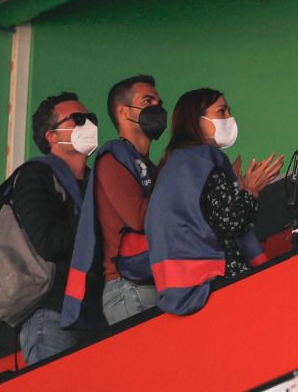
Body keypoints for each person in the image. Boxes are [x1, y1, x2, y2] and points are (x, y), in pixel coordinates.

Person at [144, 90, 281, 315]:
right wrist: (251, 190)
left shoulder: (175, 163)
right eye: (221, 111)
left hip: (183, 286)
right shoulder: (203, 160)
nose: (229, 117)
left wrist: (235, 188)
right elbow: (230, 223)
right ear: (195, 120)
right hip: (216, 282)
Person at [62, 76, 164, 330]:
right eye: (147, 101)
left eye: (159, 102)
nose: (158, 108)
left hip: (153, 283)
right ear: (123, 111)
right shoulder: (111, 158)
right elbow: (139, 218)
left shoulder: (150, 167)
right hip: (130, 289)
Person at [1, 93, 94, 363]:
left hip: (94, 311)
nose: (87, 124)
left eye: (90, 119)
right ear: (51, 136)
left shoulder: (95, 180)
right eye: (77, 119)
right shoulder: (36, 175)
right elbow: (47, 242)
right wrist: (93, 218)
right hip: (54, 314)